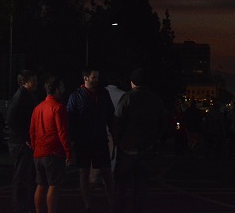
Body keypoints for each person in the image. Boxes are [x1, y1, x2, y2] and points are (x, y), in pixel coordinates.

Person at [113, 68, 167, 213]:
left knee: (122, 184)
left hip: (127, 148)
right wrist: (155, 139)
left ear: (132, 82)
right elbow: (163, 123)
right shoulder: (155, 99)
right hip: (146, 148)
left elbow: (118, 121)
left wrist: (118, 140)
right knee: (141, 184)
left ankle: (120, 209)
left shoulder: (127, 98)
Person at [67, 68, 115, 212]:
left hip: (100, 139)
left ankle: (112, 202)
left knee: (106, 171)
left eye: (98, 77)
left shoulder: (103, 94)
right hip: (84, 142)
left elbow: (110, 115)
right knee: (84, 172)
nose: (97, 80)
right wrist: (73, 139)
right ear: (86, 78)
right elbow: (70, 119)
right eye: (94, 77)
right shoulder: (76, 96)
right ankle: (88, 204)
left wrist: (114, 133)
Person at [29, 76, 72, 213]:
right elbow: (62, 132)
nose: (64, 90)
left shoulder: (38, 108)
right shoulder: (59, 108)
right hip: (53, 152)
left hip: (39, 152)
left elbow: (32, 130)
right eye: (62, 87)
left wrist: (35, 147)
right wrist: (68, 152)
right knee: (54, 185)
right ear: (57, 89)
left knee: (40, 184)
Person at [6, 70, 39, 213]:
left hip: (22, 141)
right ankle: (19, 207)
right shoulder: (21, 97)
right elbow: (11, 120)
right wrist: (24, 137)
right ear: (24, 82)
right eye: (33, 80)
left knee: (27, 175)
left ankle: (26, 205)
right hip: (20, 143)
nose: (36, 83)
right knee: (21, 176)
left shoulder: (27, 96)